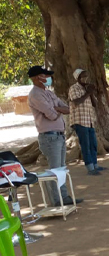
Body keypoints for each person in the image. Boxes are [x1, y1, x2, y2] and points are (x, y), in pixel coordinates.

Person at [27, 65, 83, 206]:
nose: (47, 78)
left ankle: (64, 197)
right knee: (55, 170)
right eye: (44, 75)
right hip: (49, 137)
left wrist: (56, 108)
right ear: (35, 78)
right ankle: (57, 200)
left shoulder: (49, 93)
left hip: (58, 136)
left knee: (61, 169)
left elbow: (67, 108)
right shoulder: (35, 95)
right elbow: (51, 115)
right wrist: (57, 109)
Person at [69, 69, 107, 176]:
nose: (85, 79)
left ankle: (95, 165)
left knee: (93, 144)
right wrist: (88, 92)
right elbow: (76, 101)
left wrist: (91, 93)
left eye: (86, 76)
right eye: (83, 77)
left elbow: (94, 104)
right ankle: (90, 168)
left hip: (89, 121)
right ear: (78, 78)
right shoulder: (73, 88)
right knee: (85, 145)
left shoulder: (87, 88)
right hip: (80, 121)